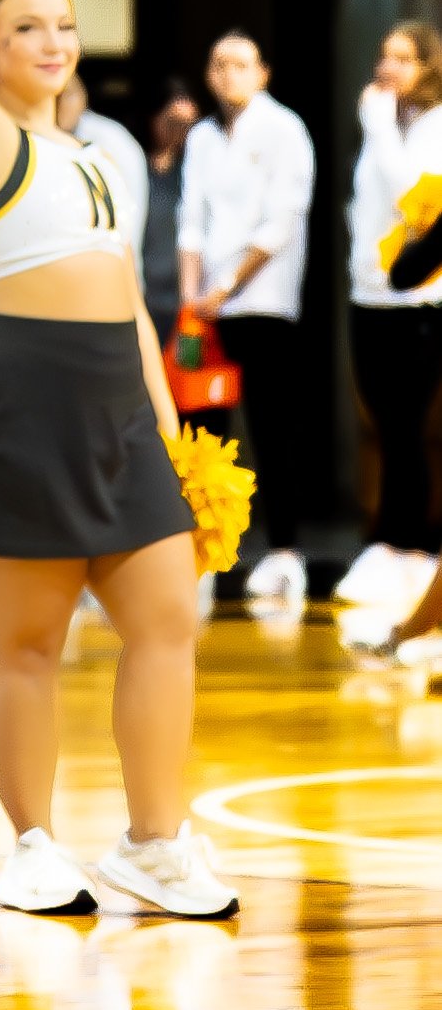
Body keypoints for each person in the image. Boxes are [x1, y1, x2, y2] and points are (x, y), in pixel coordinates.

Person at [0, 0, 235, 920]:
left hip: (116, 402)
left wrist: (175, 434)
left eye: (63, 23)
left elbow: (134, 304)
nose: (50, 41)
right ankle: (33, 842)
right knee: (30, 643)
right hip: (19, 398)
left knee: (166, 616)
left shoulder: (98, 155)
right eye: (24, 27)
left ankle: (154, 839)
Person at [179, 31, 317, 612]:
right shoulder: (204, 137)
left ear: (263, 72)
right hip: (206, 311)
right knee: (203, 428)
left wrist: (227, 285)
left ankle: (285, 552)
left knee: (271, 426)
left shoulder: (285, 129)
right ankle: (204, 550)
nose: (227, 73)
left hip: (262, 302)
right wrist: (193, 299)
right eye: (218, 64)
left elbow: (282, 220)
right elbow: (191, 218)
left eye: (239, 64)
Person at [341, 23, 442, 598]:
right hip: (369, 291)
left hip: (417, 296)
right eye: (384, 56)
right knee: (383, 420)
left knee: (408, 423)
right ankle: (391, 542)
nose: (387, 68)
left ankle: (415, 546)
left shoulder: (430, 124)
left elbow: (412, 194)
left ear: (427, 68)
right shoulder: (387, 123)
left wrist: (378, 126)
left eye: (402, 59)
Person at [57, 72, 149, 260]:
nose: (60, 104)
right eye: (54, 97)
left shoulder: (111, 141)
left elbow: (129, 221)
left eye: (68, 95)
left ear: (84, 97)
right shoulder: (36, 140)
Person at [142, 85, 200, 343]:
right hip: (144, 295)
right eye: (173, 122)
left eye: (189, 125)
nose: (181, 132)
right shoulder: (135, 170)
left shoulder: (198, 174)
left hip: (188, 301)